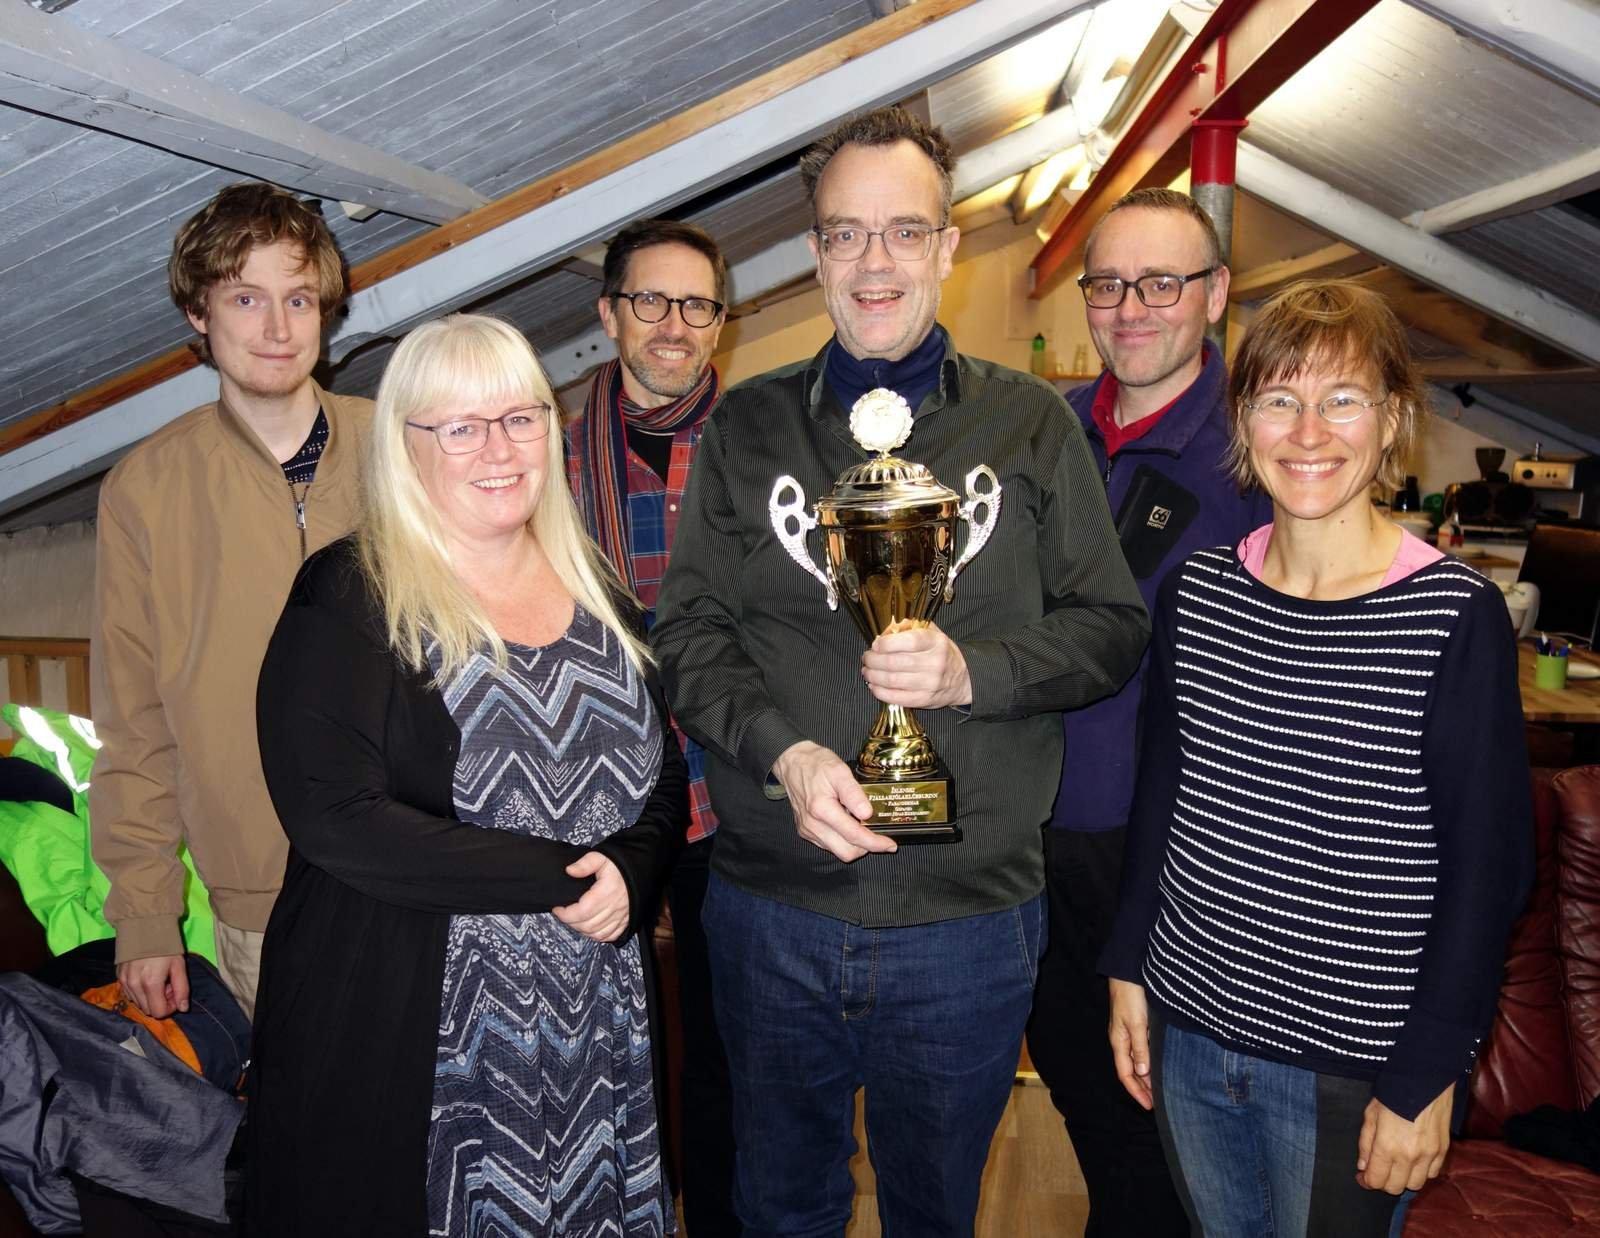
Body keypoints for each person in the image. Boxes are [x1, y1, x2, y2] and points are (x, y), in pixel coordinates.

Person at [651, 106, 1148, 1236]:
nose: (874, 262)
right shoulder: (749, 427)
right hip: (772, 908)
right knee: (780, 1206)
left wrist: (978, 672)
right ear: (815, 251)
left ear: (947, 245)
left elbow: (1112, 626)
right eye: (846, 234)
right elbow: (689, 633)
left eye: (904, 231)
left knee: (934, 1213)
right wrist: (784, 751)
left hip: (966, 921)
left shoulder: (1030, 425)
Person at [1100, 280, 1535, 1237]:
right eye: (1279, 399)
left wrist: (1430, 1073)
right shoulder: (1199, 593)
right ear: (1243, 421)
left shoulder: (1453, 616)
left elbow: (1490, 871)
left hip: (1353, 1063)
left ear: (1394, 421)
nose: (1308, 432)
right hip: (1189, 1025)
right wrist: (1128, 965)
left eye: (1342, 399)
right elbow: (1163, 796)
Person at [248, 314, 685, 1236]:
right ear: (406, 444)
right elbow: (334, 813)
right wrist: (564, 875)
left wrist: (631, 868)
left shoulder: (595, 583)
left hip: (593, 1014)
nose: (499, 448)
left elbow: (661, 772)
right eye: (460, 426)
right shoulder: (351, 592)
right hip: (425, 1025)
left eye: (521, 418)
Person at [1027, 186, 1270, 1237]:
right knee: (1087, 1095)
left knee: (1173, 1136)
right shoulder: (1043, 431)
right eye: (1108, 284)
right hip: (1035, 839)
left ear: (1215, 294)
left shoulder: (1259, 454)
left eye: (1161, 283)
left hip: (1176, 856)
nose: (1130, 309)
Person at [91, 182, 371, 1022]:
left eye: (299, 299)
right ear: (198, 314)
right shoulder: (145, 489)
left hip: (417, 877)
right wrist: (146, 914)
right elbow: (134, 721)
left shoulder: (403, 448)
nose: (278, 328)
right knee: (295, 1108)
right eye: (247, 299)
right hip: (257, 903)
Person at [568, 217, 741, 1235]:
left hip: (734, 790)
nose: (674, 323)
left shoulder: (761, 446)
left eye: (696, 303)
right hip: (597, 794)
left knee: (728, 1048)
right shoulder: (543, 455)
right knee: (604, 1039)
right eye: (650, 299)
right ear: (608, 312)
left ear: (720, 320)